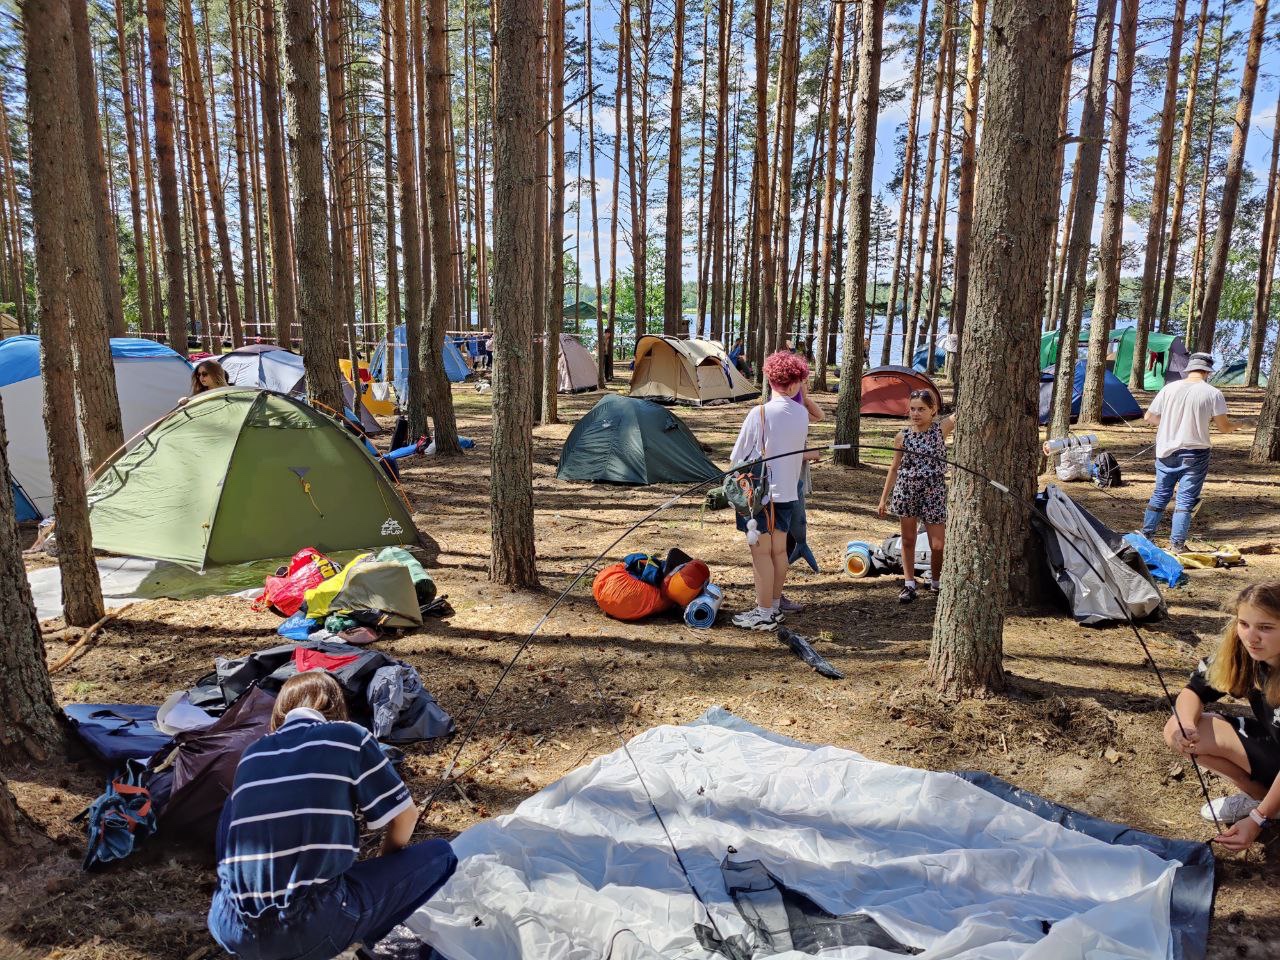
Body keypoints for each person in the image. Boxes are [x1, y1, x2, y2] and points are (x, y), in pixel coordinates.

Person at [207, 671, 456, 960]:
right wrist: (386, 868)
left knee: (232, 804)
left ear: (280, 712)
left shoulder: (252, 753)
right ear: (336, 708)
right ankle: (367, 940)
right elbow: (405, 816)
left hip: (231, 925)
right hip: (308, 927)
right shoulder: (349, 736)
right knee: (441, 854)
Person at [1163, 581, 1280, 851]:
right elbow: (1194, 691)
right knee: (1178, 730)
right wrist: (1186, 725)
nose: (1251, 637)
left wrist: (1256, 821)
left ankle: (1264, 809)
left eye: (1265, 627)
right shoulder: (1244, 653)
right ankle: (1262, 800)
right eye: (1244, 624)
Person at [729, 351, 823, 632]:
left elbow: (738, 458)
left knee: (761, 554)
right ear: (797, 383)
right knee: (779, 552)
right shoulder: (801, 414)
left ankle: (764, 612)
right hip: (787, 495)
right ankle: (773, 605)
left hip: (760, 497)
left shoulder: (759, 413)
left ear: (769, 379)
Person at [1141, 352, 1237, 552]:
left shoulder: (1169, 388)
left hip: (1165, 451)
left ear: (1189, 368)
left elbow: (1149, 417)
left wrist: (1169, 425)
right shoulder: (1213, 393)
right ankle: (1177, 544)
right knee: (1185, 500)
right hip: (1195, 454)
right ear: (1208, 371)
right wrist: (1241, 425)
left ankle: (1146, 536)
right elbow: (1224, 427)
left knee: (1160, 494)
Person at [877, 389, 955, 603]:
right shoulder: (902, 436)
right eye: (912, 409)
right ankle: (909, 584)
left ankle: (937, 581)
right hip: (906, 490)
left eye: (921, 409)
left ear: (933, 410)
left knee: (938, 544)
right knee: (908, 540)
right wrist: (884, 498)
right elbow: (894, 468)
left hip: (934, 492)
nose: (916, 413)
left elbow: (961, 414)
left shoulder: (941, 429)